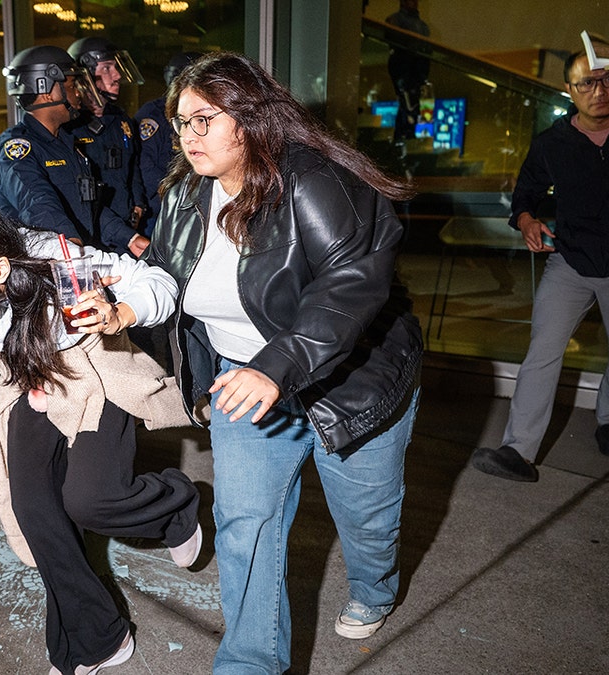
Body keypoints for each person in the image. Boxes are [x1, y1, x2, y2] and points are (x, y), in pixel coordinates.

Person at [143, 52, 423, 674]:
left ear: (249, 118)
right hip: (243, 386)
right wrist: (122, 306)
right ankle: (249, 664)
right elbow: (168, 277)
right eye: (180, 123)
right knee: (245, 524)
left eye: (203, 120)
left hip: (351, 382)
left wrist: (280, 364)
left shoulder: (313, 179)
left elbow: (350, 283)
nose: (188, 138)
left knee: (366, 520)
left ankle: (376, 588)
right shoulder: (185, 194)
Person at [0, 207, 201, 675]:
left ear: (0, 268)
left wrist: (120, 311)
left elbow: (160, 285)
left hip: (93, 371)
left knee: (92, 500)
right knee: (34, 508)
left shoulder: (61, 263)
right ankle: (100, 638)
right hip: (30, 379)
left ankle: (177, 501)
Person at [471, 49, 609, 482]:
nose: (598, 92)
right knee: (542, 350)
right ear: (569, 89)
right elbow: (525, 194)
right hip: (572, 260)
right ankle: (517, 450)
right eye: (586, 83)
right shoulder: (553, 142)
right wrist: (526, 219)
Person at [0, 46, 145, 259]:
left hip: (79, 257)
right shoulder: (15, 150)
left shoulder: (66, 144)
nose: (78, 93)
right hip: (46, 267)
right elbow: (38, 204)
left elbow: (87, 208)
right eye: (71, 86)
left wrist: (129, 238)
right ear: (46, 92)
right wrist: (70, 246)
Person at [65, 37, 148, 254]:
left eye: (116, 67)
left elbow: (134, 167)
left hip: (128, 230)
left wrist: (138, 204)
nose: (117, 75)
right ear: (86, 75)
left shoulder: (121, 120)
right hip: (93, 233)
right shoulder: (69, 126)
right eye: (107, 68)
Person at [135, 51, 201, 236]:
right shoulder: (154, 115)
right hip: (162, 209)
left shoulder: (202, 115)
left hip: (193, 205)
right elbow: (145, 166)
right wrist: (176, 197)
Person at [384, 0, 430, 143]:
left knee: (413, 105)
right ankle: (402, 138)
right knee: (406, 103)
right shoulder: (395, 19)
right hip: (402, 67)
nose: (413, 3)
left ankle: (406, 137)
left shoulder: (423, 26)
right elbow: (394, 39)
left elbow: (427, 49)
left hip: (417, 70)